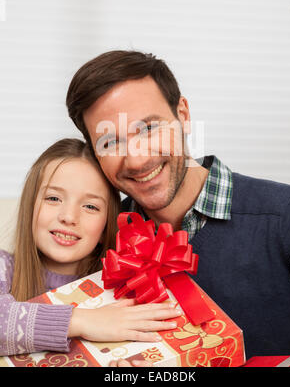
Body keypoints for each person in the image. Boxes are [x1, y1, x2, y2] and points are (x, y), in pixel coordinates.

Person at [66, 50, 290, 360]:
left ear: (184, 116)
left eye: (149, 128)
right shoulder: (98, 232)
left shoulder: (287, 216)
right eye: (111, 143)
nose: (137, 159)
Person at [0, 138, 181, 363]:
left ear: (107, 222)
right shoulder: (4, 267)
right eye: (53, 198)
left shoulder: (125, 289)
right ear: (29, 205)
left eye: (90, 206)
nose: (68, 217)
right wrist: (84, 321)